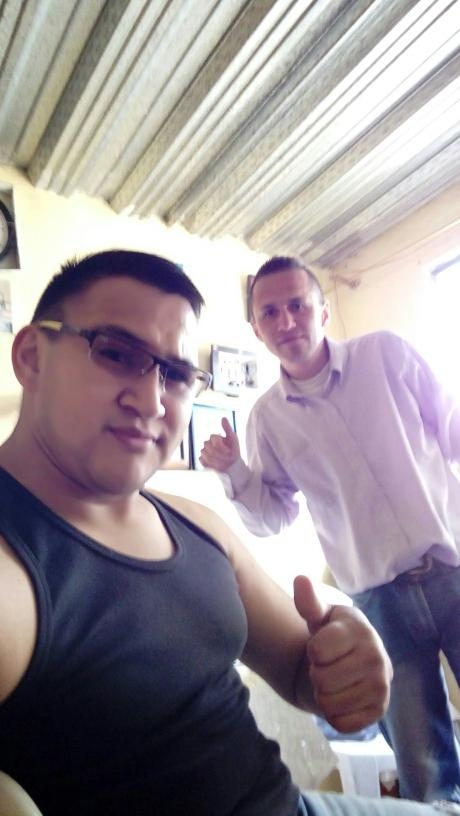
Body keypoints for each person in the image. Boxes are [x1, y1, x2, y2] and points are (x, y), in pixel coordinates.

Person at [0, 248, 446, 816]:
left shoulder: (193, 522)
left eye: (176, 375)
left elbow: (302, 667)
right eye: (115, 353)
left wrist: (347, 658)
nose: (151, 401)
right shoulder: (14, 563)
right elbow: (274, 511)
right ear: (32, 356)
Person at [200, 255, 460, 807]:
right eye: (270, 312)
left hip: (454, 569)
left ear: (321, 309)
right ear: (257, 329)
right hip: (380, 603)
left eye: (297, 305)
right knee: (424, 769)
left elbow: (453, 427)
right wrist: (233, 471)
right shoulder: (267, 419)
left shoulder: (386, 354)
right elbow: (273, 518)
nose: (286, 320)